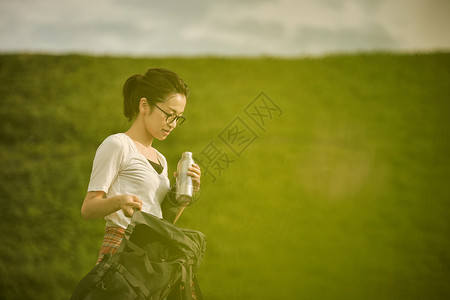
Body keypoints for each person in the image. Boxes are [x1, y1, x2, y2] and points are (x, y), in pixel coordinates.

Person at [81, 68, 201, 264]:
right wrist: (118, 202)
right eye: (169, 114)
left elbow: (163, 223)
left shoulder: (160, 159)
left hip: (151, 256)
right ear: (144, 105)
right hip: (121, 249)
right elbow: (88, 209)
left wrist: (185, 196)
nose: (172, 124)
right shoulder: (118, 144)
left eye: (178, 118)